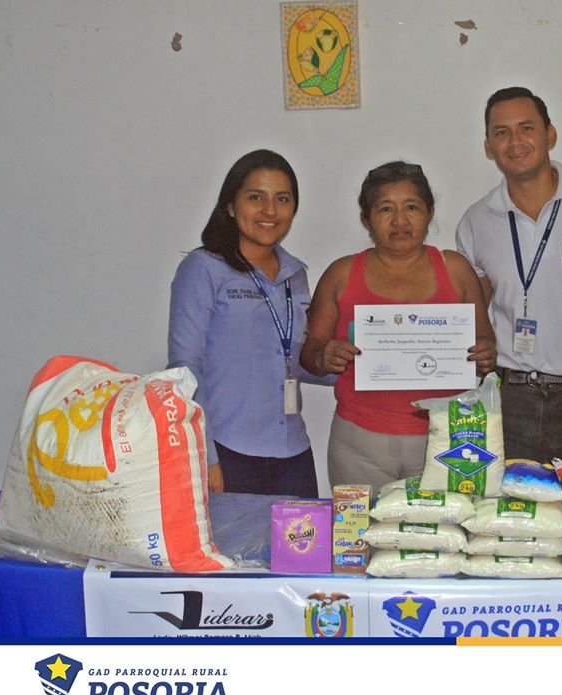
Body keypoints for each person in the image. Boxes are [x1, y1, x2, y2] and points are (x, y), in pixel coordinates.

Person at [456, 87, 562, 464]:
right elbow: (474, 313)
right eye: (501, 132)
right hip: (511, 398)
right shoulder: (476, 221)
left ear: (550, 134)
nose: (515, 141)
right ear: (488, 146)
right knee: (509, 502)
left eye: (526, 128)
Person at [300, 161, 496, 489]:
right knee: (360, 525)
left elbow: (486, 343)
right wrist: (323, 356)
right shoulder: (341, 275)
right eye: (385, 209)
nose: (400, 221)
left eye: (412, 207)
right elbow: (309, 354)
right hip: (358, 445)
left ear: (430, 213)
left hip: (446, 441)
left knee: (449, 525)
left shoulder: (456, 270)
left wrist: (485, 355)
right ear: (366, 218)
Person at [168, 149, 331, 496]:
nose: (270, 211)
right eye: (256, 197)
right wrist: (205, 456)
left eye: (282, 199)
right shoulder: (204, 269)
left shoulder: (295, 275)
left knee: (306, 535)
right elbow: (185, 367)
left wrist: (365, 366)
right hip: (227, 451)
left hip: (293, 452)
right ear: (230, 205)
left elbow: (293, 358)